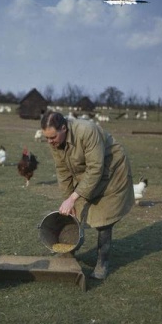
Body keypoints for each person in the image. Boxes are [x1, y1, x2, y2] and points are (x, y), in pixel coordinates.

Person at [41, 110, 134, 279]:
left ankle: (102, 264)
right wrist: (68, 199)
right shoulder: (55, 142)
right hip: (89, 173)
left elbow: (96, 169)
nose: (49, 142)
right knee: (73, 212)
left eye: (52, 137)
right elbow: (62, 171)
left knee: (104, 219)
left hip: (111, 172)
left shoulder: (87, 131)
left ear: (63, 128)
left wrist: (73, 197)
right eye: (46, 138)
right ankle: (68, 252)